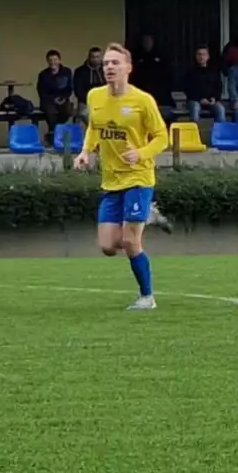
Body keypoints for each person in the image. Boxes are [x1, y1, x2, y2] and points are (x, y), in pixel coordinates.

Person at [74, 44, 169, 311]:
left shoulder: (142, 101)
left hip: (138, 177)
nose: (110, 67)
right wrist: (85, 151)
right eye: (106, 63)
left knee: (130, 241)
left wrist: (141, 153)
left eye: (115, 63)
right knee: (107, 245)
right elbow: (94, 126)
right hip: (111, 180)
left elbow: (162, 136)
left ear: (128, 68)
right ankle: (148, 215)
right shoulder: (95, 96)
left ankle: (147, 297)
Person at [36, 49, 74, 142]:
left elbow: (70, 88)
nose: (53, 62)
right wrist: (53, 99)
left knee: (68, 111)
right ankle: (54, 133)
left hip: (63, 99)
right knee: (50, 112)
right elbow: (41, 91)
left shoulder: (67, 72)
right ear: (47, 61)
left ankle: (54, 131)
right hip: (48, 100)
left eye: (55, 60)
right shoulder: (43, 75)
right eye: (50, 60)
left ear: (59, 60)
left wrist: (63, 98)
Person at [73, 46, 105, 124]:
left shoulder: (106, 70)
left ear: (101, 57)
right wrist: (89, 100)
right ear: (89, 57)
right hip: (85, 101)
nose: (95, 59)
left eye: (97, 57)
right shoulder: (80, 71)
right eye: (93, 57)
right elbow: (78, 90)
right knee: (83, 114)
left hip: (103, 101)